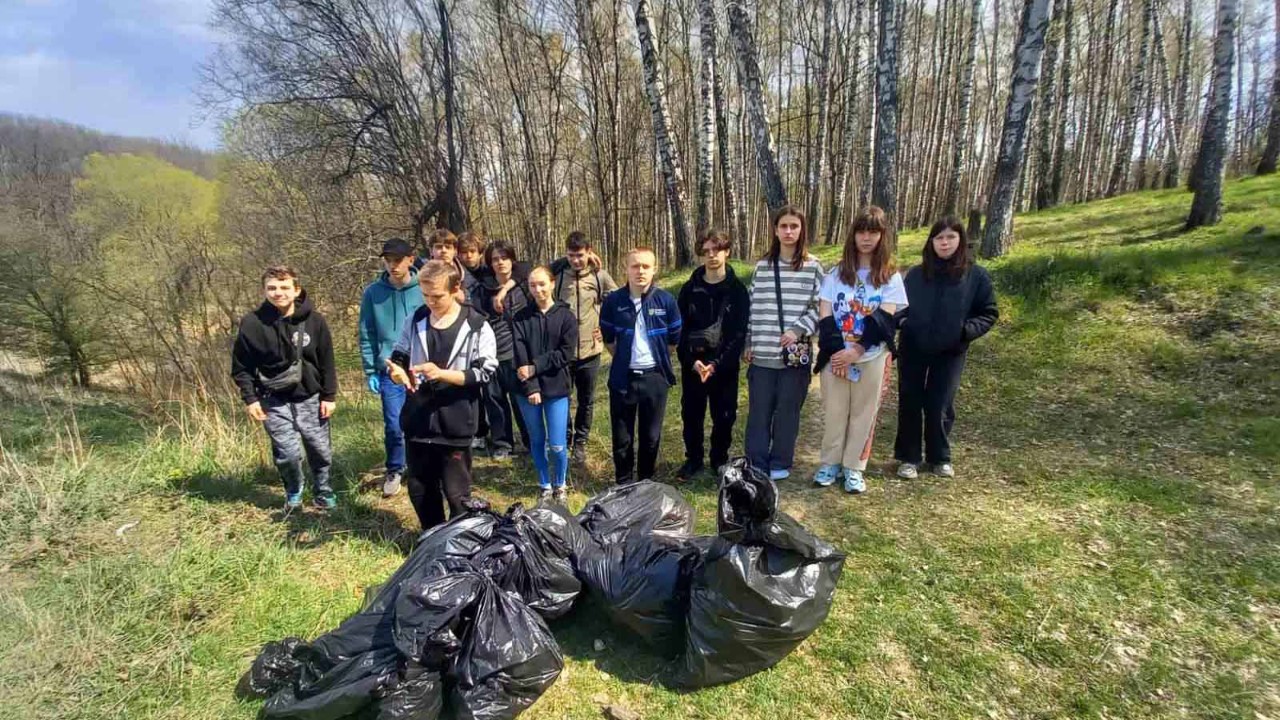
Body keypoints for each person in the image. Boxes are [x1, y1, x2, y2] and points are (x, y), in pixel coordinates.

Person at [385, 260, 497, 531]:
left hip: (456, 419)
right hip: (418, 418)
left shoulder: (477, 325)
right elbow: (399, 356)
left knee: (457, 493)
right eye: (425, 295)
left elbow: (485, 372)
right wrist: (396, 372)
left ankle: (458, 540)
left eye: (437, 296)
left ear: (455, 289)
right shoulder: (416, 320)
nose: (430, 302)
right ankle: (432, 536)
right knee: (420, 488)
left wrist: (442, 374)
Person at [893, 217, 998, 479]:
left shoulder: (975, 276)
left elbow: (988, 312)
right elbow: (898, 306)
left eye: (951, 237)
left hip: (951, 351)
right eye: (939, 237)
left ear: (960, 240)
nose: (944, 243)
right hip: (913, 347)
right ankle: (909, 457)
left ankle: (939, 456)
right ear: (931, 242)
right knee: (910, 400)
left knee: (940, 403)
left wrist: (965, 331)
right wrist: (904, 323)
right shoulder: (916, 274)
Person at [813, 207, 907, 494]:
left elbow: (885, 319)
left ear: (882, 236)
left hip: (872, 356)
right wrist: (838, 352)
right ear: (853, 235)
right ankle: (830, 463)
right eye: (861, 231)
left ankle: (853, 467)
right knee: (835, 410)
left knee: (863, 413)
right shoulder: (835, 274)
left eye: (873, 232)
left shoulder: (890, 276)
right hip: (836, 356)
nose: (866, 238)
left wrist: (857, 350)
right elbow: (826, 314)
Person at [231, 265, 339, 510]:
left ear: (296, 289)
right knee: (287, 452)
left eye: (284, 287)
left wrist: (329, 396)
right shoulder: (252, 324)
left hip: (311, 397)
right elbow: (241, 367)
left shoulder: (315, 320)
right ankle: (293, 491)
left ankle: (323, 490)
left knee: (320, 449)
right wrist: (250, 399)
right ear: (264, 291)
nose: (278, 293)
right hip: (272, 399)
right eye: (272, 288)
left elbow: (327, 361)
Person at [743, 205, 824, 481]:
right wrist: (748, 342)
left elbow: (820, 308)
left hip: (794, 354)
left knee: (788, 412)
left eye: (794, 226)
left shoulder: (813, 267)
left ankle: (780, 461)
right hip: (763, 353)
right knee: (759, 413)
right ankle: (756, 462)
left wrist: (797, 329)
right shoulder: (763, 267)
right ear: (775, 231)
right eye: (783, 226)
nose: (789, 231)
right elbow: (752, 307)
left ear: (802, 230)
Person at [599, 247, 682, 484]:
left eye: (646, 266)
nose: (640, 271)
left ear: (654, 269)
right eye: (635, 266)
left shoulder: (666, 300)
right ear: (626, 269)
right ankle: (623, 483)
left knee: (651, 436)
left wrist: (655, 361)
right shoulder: (614, 301)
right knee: (622, 437)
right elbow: (609, 339)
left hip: (654, 378)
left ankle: (646, 482)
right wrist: (625, 359)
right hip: (623, 379)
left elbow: (673, 339)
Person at [676, 229, 750, 481]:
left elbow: (738, 334)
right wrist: (692, 362)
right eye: (705, 251)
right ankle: (693, 459)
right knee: (692, 415)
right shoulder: (689, 289)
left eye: (716, 250)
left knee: (724, 415)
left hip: (724, 367)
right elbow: (680, 330)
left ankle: (719, 459)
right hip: (694, 365)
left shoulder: (738, 291)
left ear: (727, 251)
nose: (711, 255)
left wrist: (717, 364)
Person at [358, 238, 424, 498]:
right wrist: (371, 370)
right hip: (389, 366)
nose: (393, 266)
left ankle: (422, 467)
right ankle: (395, 468)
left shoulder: (423, 288)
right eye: (388, 261)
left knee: (423, 420)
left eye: (398, 260)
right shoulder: (373, 293)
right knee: (394, 423)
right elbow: (367, 333)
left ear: (410, 260)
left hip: (421, 365)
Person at [550, 231, 618, 463]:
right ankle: (565, 437)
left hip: (590, 350)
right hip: (563, 351)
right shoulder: (559, 275)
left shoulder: (600, 276)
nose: (576, 260)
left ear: (589, 252)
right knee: (563, 398)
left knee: (586, 400)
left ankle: (581, 442)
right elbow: (537, 275)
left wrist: (605, 325)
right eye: (571, 255)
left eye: (580, 255)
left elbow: (617, 301)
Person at [512, 267, 579, 501]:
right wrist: (531, 386)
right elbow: (520, 355)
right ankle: (545, 485)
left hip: (556, 387)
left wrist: (536, 366)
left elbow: (565, 353)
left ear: (552, 283)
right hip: (526, 388)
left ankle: (560, 484)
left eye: (542, 284)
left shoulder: (566, 317)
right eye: (532, 285)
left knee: (558, 444)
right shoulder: (520, 318)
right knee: (537, 440)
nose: (537, 289)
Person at [475, 239, 533, 459]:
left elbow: (535, 267)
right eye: (495, 259)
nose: (500, 263)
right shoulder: (483, 289)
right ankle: (503, 444)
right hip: (492, 353)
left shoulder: (524, 284)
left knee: (521, 400)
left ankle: (531, 440)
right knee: (494, 400)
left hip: (518, 353)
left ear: (512, 260)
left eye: (504, 258)